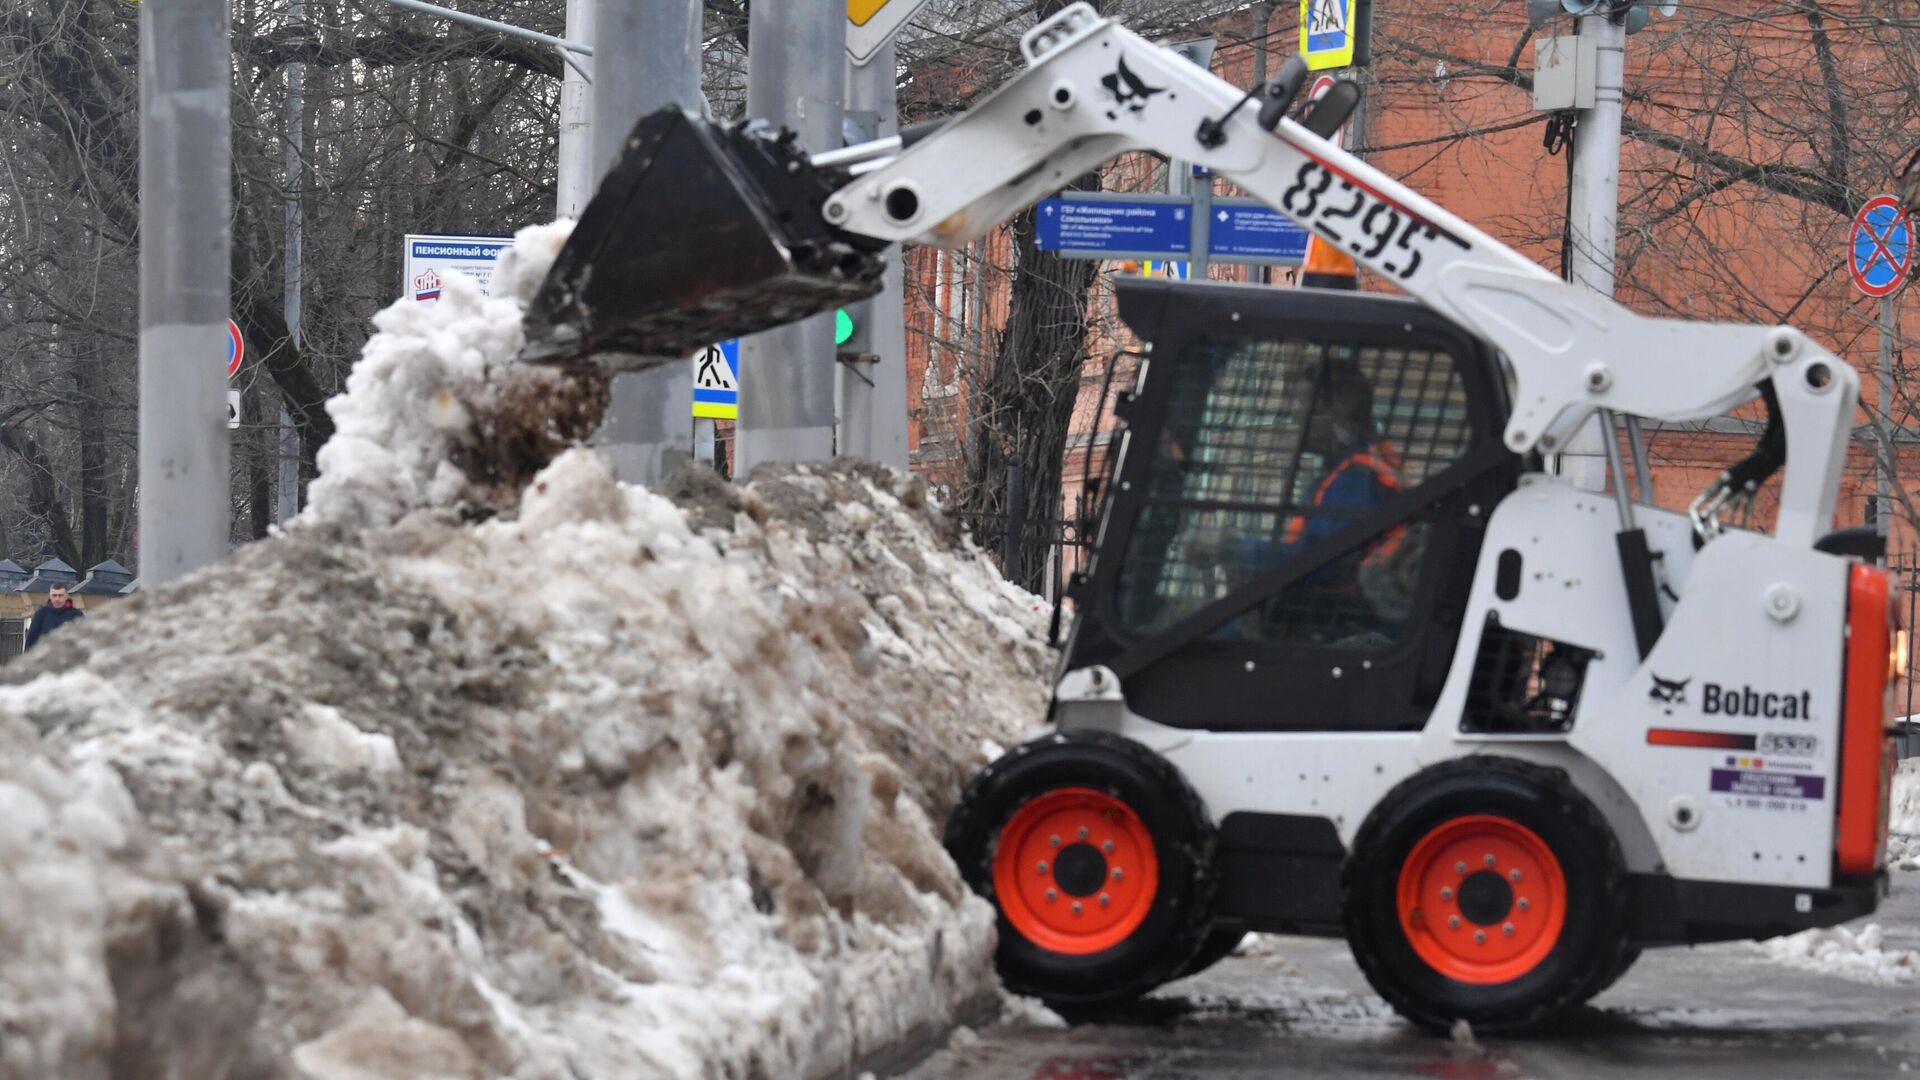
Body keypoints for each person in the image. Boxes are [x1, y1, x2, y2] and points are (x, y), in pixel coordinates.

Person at [25, 584, 84, 650]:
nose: (57, 598)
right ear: (50, 596)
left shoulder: (76, 615)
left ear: (66, 596)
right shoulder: (41, 613)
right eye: (54, 595)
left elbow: (82, 639)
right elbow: (31, 639)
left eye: (60, 595)